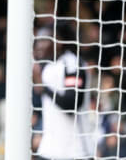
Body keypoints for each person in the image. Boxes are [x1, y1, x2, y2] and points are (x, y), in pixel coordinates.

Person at [33, 22, 94, 160]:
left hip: (75, 151)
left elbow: (71, 104)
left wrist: (43, 87)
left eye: (44, 40)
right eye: (37, 41)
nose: (38, 45)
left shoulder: (72, 63)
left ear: (58, 41)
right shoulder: (47, 67)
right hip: (49, 150)